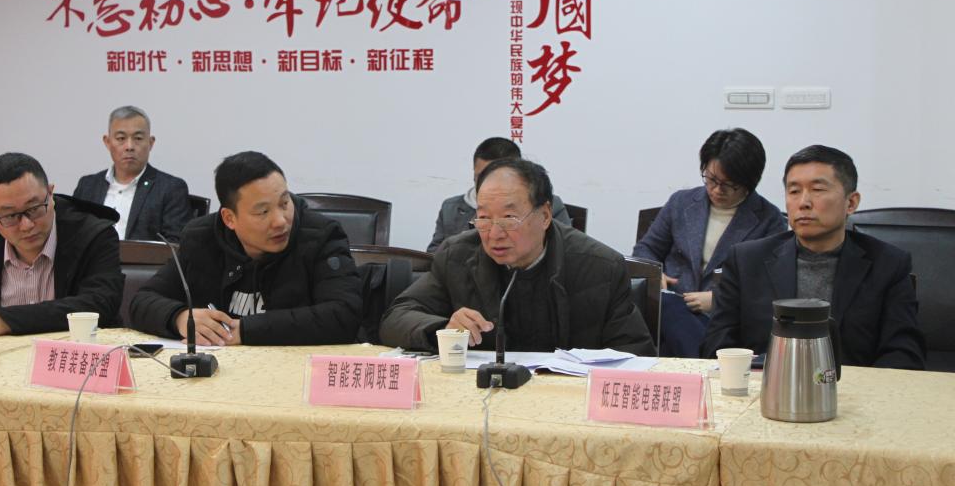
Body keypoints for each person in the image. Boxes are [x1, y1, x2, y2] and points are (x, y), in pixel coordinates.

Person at [382, 158, 655, 355]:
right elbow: (396, 318)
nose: (494, 234)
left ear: (545, 215)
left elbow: (635, 354)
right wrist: (442, 329)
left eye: (509, 218)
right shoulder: (457, 256)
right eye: (484, 218)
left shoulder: (599, 267)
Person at [701, 145, 925, 369]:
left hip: (853, 388)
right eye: (794, 191)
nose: (803, 202)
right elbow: (717, 345)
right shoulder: (746, 260)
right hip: (765, 385)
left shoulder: (888, 264)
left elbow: (903, 352)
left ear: (851, 203)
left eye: (817, 189)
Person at [129, 151, 362, 346]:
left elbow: (344, 315)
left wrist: (246, 331)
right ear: (229, 218)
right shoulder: (200, 238)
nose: (280, 221)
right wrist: (180, 318)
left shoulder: (321, 236)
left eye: (284, 203)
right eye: (263, 212)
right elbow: (142, 301)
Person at [633, 128, 786, 356]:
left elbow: (766, 286)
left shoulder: (769, 219)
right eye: (711, 179)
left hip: (723, 320)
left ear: (750, 182)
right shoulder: (681, 203)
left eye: (729, 184)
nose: (717, 189)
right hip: (671, 307)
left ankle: (697, 362)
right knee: (667, 308)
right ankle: (704, 363)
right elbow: (646, 249)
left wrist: (719, 300)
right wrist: (657, 275)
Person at [0, 152, 124, 337]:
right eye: (10, 216)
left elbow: (100, 304)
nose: (27, 225)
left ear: (50, 194)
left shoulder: (93, 235)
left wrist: (4, 319)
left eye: (34, 208)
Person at [427, 137, 572, 253]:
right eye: (481, 177)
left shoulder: (545, 205)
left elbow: (564, 251)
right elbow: (434, 256)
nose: (487, 184)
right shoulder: (451, 207)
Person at [74, 106, 193, 242]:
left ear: (150, 143)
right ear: (107, 142)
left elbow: (176, 244)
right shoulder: (88, 186)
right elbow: (73, 236)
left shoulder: (170, 188)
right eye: (121, 138)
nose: (129, 146)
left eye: (138, 138)